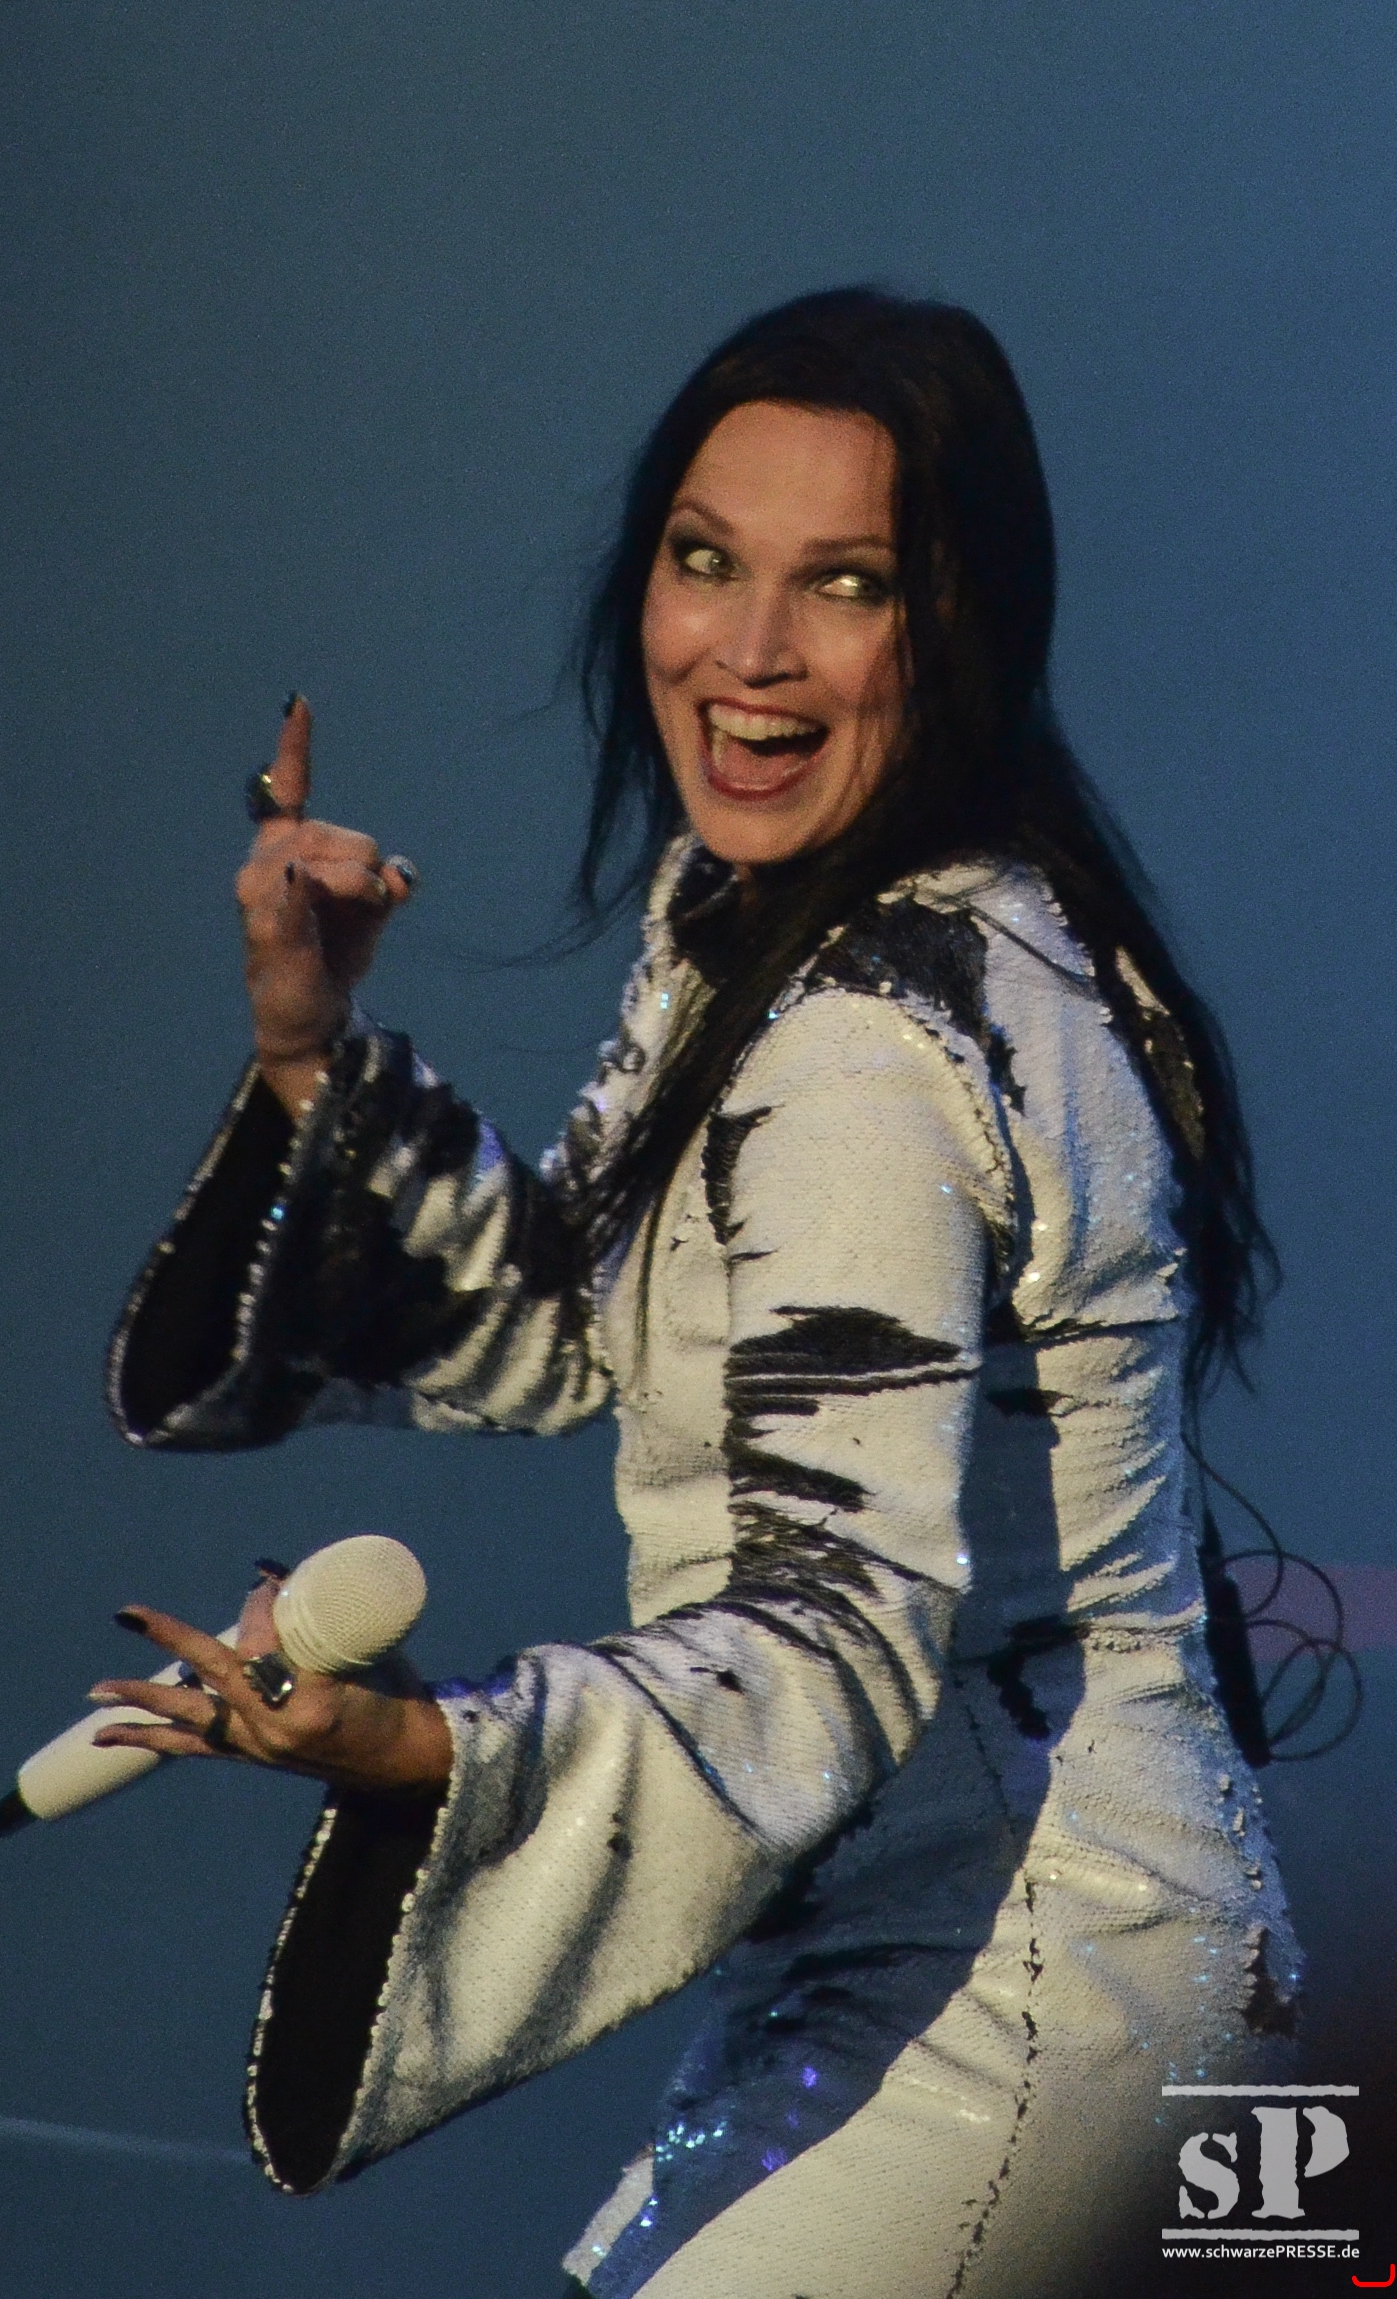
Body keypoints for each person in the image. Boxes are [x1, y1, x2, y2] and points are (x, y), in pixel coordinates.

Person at [92, 289, 1300, 2297]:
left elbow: (840, 1626)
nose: (747, 652)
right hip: (1061, 1962)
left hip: (1019, 1990)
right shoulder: (864, 928)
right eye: (706, 559)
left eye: (846, 584)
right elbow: (595, 1320)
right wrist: (314, 1058)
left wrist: (427, 1752)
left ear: (963, 623)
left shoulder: (865, 1043)